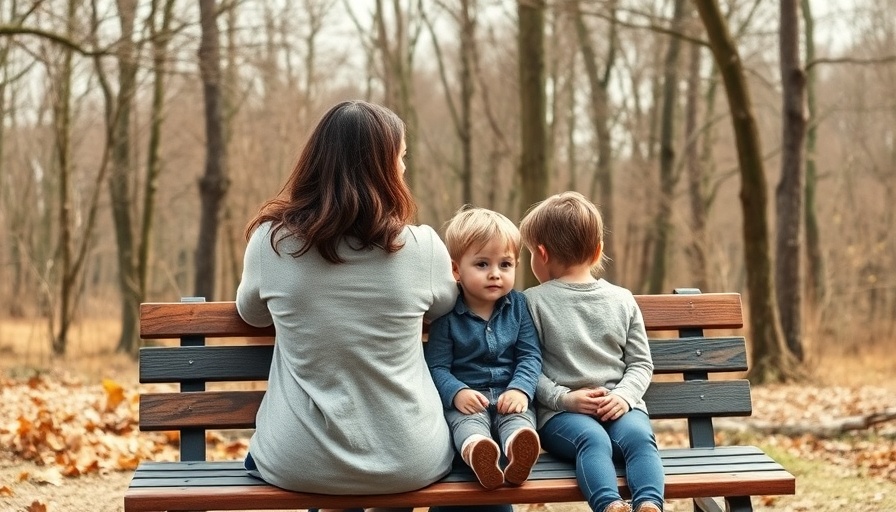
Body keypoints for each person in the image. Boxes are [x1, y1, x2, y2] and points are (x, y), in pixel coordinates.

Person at [235, 100, 460, 495]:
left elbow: (251, 314)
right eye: (400, 158)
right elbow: (444, 304)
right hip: (410, 459)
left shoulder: (271, 245)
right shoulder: (423, 247)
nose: (404, 169)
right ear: (382, 170)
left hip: (296, 462)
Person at [519, 192, 664, 512]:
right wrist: (565, 399)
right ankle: (610, 505)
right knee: (594, 440)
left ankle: (650, 505)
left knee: (639, 438)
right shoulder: (534, 303)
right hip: (564, 416)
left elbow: (640, 362)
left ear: (541, 254)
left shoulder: (621, 300)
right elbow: (527, 367)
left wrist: (623, 398)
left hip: (620, 410)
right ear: (598, 250)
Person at [424, 206, 542, 490]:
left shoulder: (519, 307)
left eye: (505, 264)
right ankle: (479, 453)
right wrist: (456, 392)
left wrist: (520, 389)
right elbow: (436, 366)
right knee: (466, 426)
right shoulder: (448, 315)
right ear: (456, 270)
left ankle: (519, 449)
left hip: (508, 397)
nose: (495, 274)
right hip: (468, 401)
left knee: (519, 420)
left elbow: (529, 355)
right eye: (482, 264)